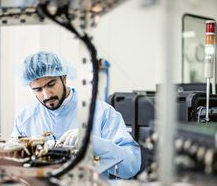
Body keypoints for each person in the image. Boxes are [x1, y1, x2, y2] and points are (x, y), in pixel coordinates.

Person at [12, 51, 141, 179]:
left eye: (51, 84)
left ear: (64, 78)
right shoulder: (24, 119)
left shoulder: (102, 113)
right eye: (38, 90)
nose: (47, 95)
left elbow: (131, 166)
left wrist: (93, 144)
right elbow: (13, 165)